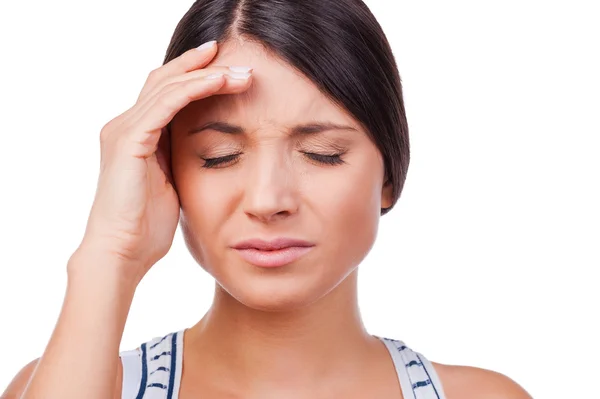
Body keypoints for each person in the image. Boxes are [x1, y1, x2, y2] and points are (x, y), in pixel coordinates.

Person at [2, 1, 532, 398]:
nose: (267, 199)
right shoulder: (70, 383)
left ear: (390, 175)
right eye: (218, 156)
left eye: (322, 154)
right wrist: (109, 256)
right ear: (168, 172)